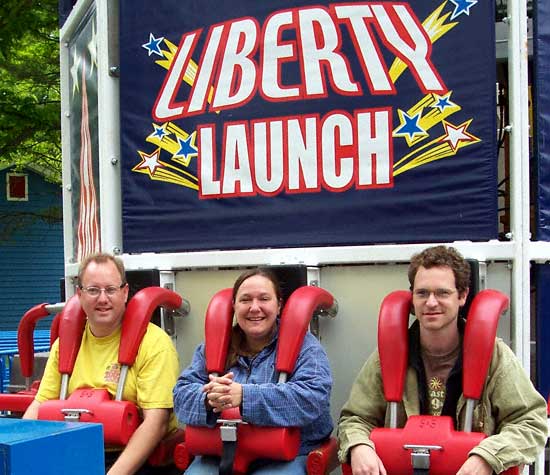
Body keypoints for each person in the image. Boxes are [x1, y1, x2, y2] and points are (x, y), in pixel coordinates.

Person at [338, 245, 548, 475]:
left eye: (442, 293)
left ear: (463, 295)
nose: (430, 302)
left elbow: (531, 422)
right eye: (422, 293)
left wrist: (488, 457)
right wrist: (359, 446)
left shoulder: (494, 356)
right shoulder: (389, 355)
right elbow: (355, 419)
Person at [23, 253, 180, 475]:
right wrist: (16, 448)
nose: (102, 299)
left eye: (111, 289)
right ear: (80, 294)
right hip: (74, 453)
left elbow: (156, 424)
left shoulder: (154, 343)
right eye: (93, 290)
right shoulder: (65, 345)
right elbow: (39, 406)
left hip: (135, 459)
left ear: (125, 293)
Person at [173, 268, 333, 475]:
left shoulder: (305, 347)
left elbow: (313, 398)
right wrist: (209, 399)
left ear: (279, 306)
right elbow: (180, 395)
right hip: (219, 452)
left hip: (287, 455)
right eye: (245, 300)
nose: (254, 308)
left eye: (264, 299)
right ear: (234, 306)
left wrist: (245, 397)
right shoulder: (214, 347)